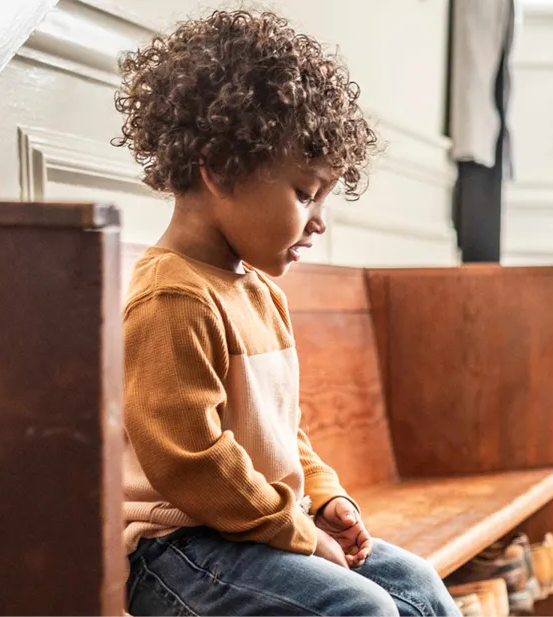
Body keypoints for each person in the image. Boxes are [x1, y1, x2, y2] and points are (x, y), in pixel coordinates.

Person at [112, 10, 459, 616]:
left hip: (258, 527)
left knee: (417, 588)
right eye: (305, 193)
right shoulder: (173, 297)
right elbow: (193, 463)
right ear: (220, 169)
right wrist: (296, 531)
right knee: (362, 610)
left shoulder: (260, 292)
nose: (319, 221)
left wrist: (324, 498)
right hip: (176, 550)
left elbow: (282, 435)